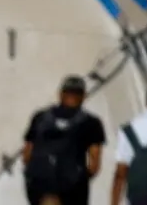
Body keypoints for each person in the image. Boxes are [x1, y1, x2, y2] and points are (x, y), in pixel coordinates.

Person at [22, 75, 107, 205]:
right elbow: (95, 164)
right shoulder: (91, 123)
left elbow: (27, 155)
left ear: (60, 94)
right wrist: (82, 179)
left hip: (39, 185)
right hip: (72, 189)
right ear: (83, 97)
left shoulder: (40, 117)